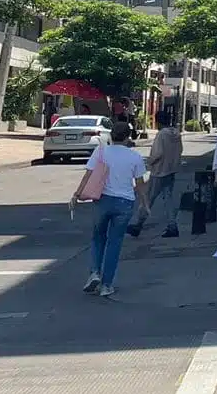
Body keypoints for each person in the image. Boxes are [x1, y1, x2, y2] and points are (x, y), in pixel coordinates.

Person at [73, 121, 149, 298]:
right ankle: (107, 285)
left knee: (98, 238)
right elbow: (139, 184)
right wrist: (145, 203)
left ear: (111, 135)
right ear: (129, 137)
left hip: (103, 200)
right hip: (125, 203)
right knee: (114, 243)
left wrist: (77, 195)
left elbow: (89, 174)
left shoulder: (101, 152)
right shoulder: (135, 157)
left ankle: (94, 273)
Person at [130, 109, 183, 239]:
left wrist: (149, 162)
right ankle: (172, 225)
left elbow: (158, 153)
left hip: (159, 171)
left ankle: (138, 224)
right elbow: (180, 150)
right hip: (171, 170)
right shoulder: (176, 133)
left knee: (148, 199)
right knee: (168, 198)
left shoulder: (161, 134)